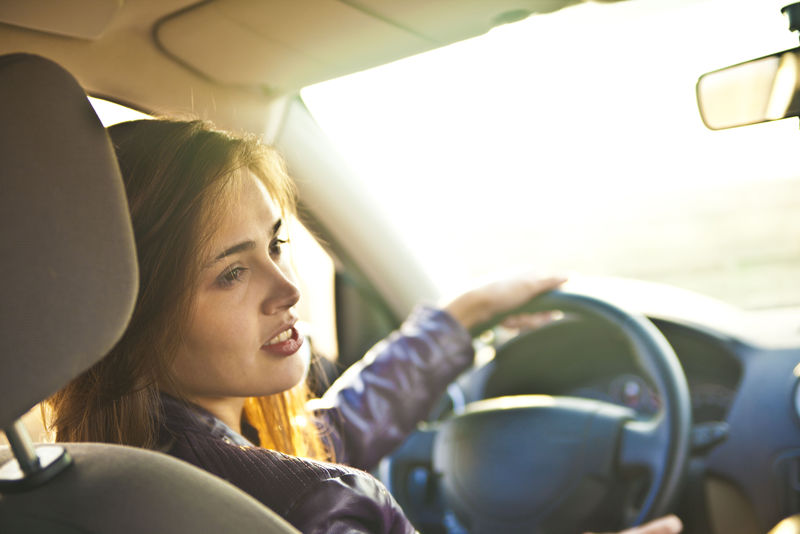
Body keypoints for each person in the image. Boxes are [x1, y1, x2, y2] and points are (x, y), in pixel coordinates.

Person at [47, 118, 681, 534]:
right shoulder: (317, 508)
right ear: (130, 313)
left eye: (275, 244)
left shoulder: (89, 476)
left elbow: (320, 435)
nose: (289, 290)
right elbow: (309, 475)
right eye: (232, 274)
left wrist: (460, 319)